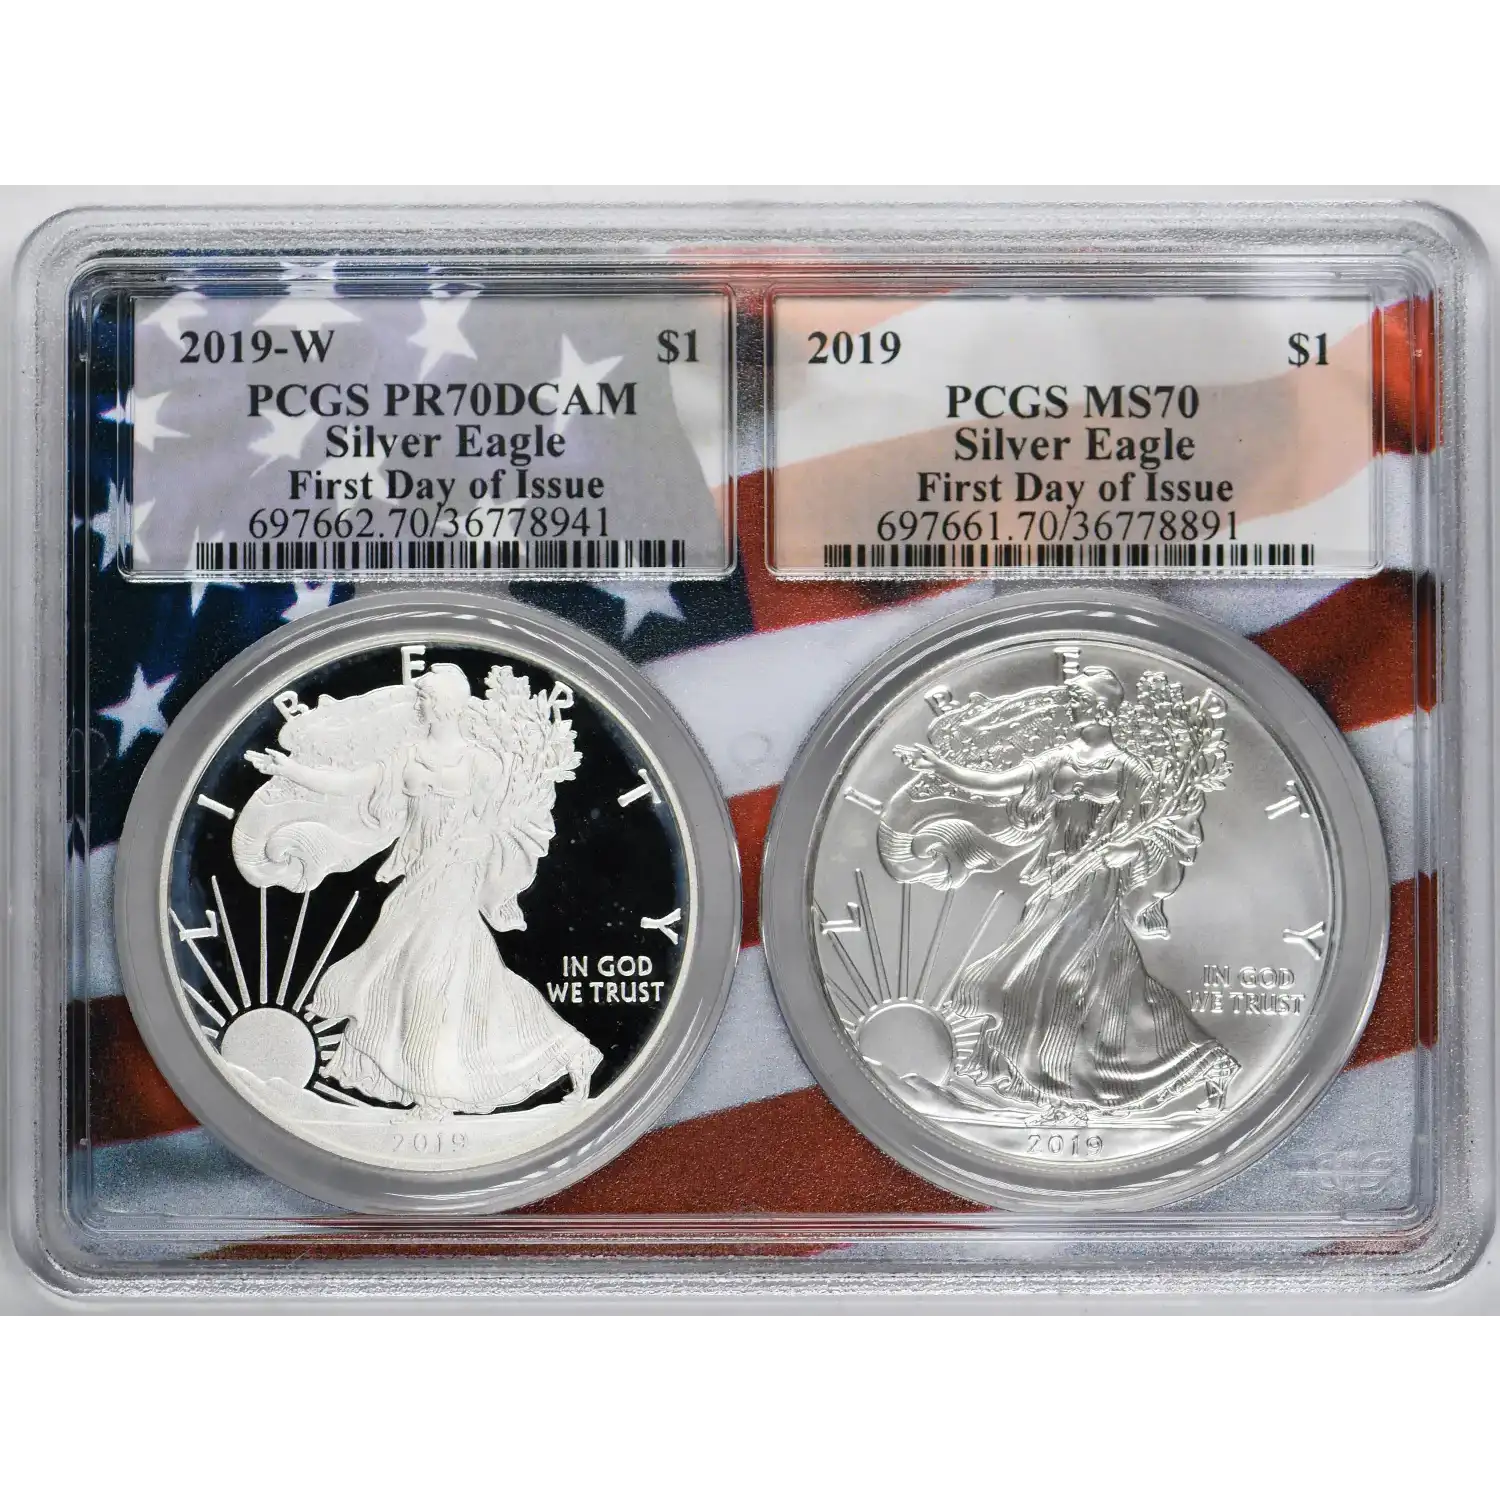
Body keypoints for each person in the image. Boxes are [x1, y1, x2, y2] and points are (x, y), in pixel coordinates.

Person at [241, 662, 601, 1116]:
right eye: (421, 697)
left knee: (427, 973)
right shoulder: (407, 757)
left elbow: (501, 819)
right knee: (458, 975)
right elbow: (349, 784)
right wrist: (291, 769)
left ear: (446, 705)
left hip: (458, 875)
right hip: (421, 874)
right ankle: (568, 1051)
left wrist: (472, 843)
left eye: (426, 698)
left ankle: (434, 1093)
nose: (419, 704)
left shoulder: (482, 763)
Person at [880, 664, 1238, 1119]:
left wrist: (1128, 848)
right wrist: (941, 768)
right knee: (1066, 981)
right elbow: (995, 785)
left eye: (1081, 700)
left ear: (1103, 709)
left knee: (1061, 979)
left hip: (1098, 886)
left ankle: (1070, 1088)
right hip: (1058, 880)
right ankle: (1059, 1085)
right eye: (1074, 700)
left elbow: (1165, 828)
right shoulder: (1058, 760)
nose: (1074, 707)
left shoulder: (1130, 769)